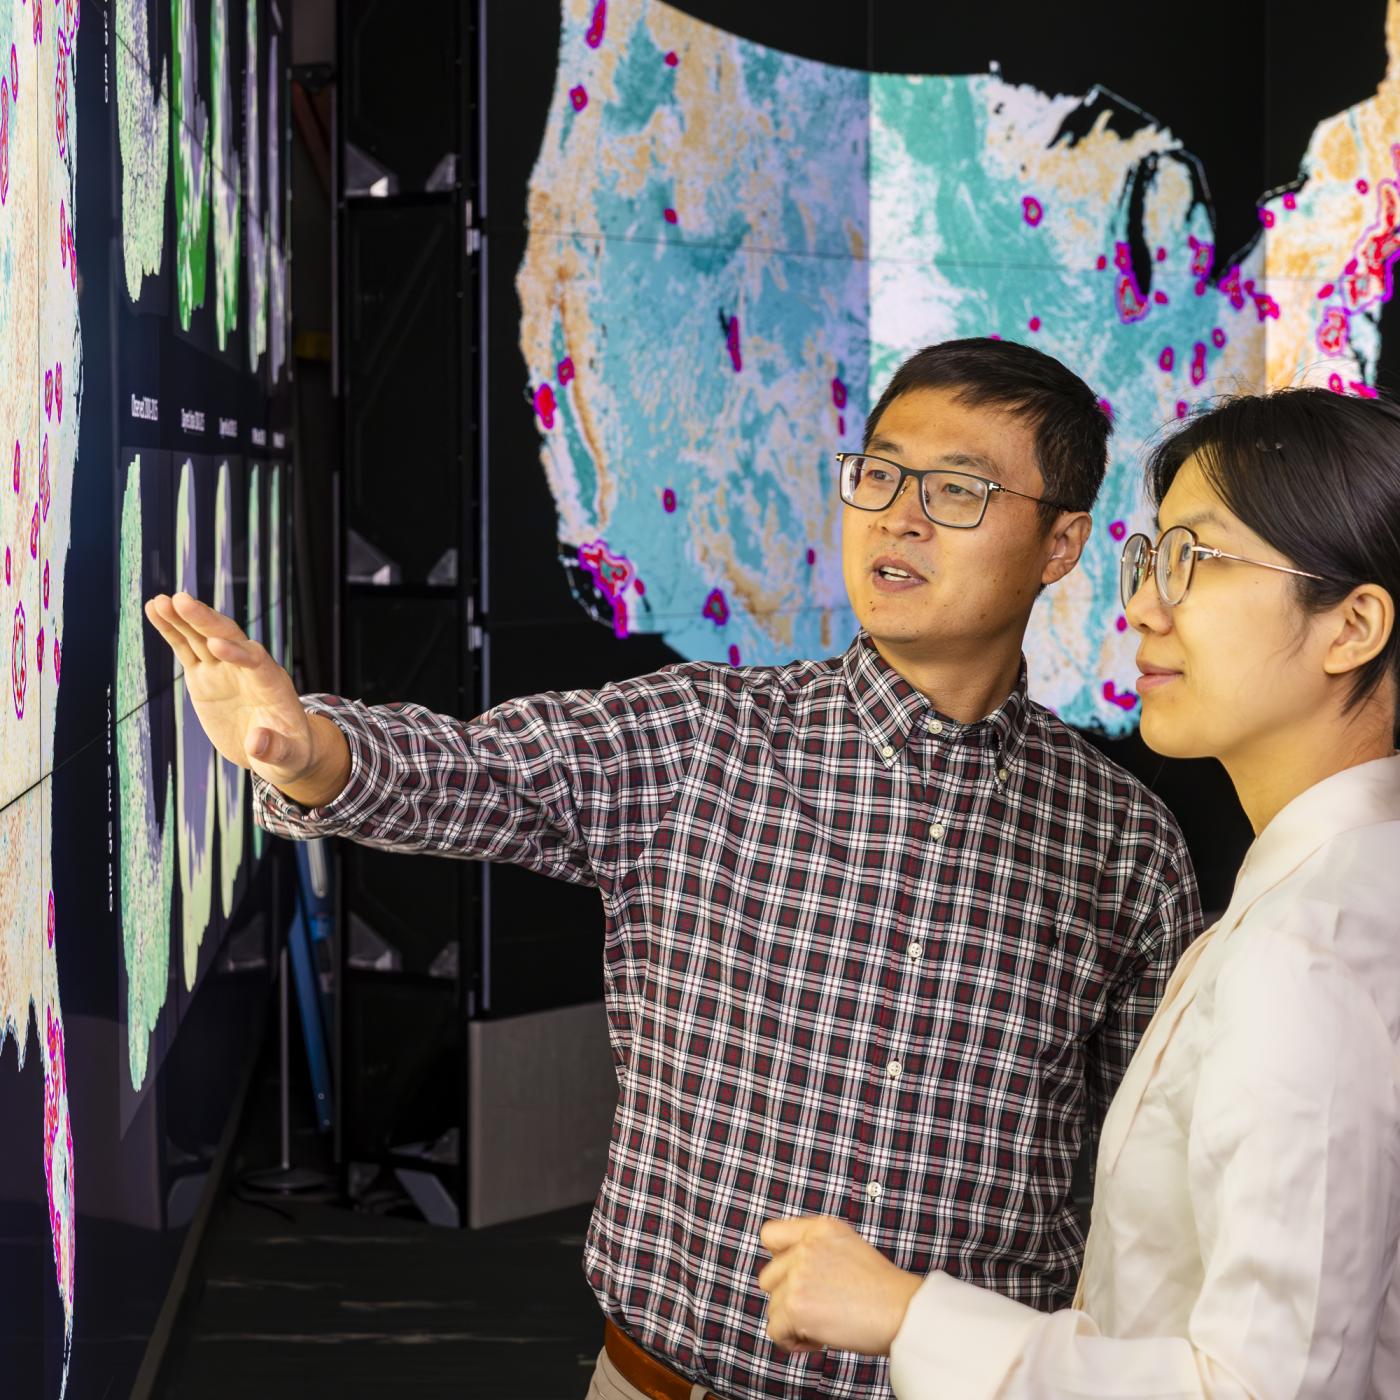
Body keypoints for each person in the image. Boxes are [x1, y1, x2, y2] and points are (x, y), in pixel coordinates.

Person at [143, 338, 1201, 1400]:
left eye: (957, 488)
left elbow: (1143, 1182)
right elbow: (479, 769)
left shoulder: (1123, 841)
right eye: (877, 472)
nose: (898, 514)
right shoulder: (704, 736)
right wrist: (314, 749)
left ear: (1060, 541)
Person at [758, 385, 1400, 1397]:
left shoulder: (1300, 953)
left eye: (1194, 559)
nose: (1141, 604)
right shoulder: (1338, 893)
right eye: (1150, 559)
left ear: (1350, 625)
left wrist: (906, 1312)